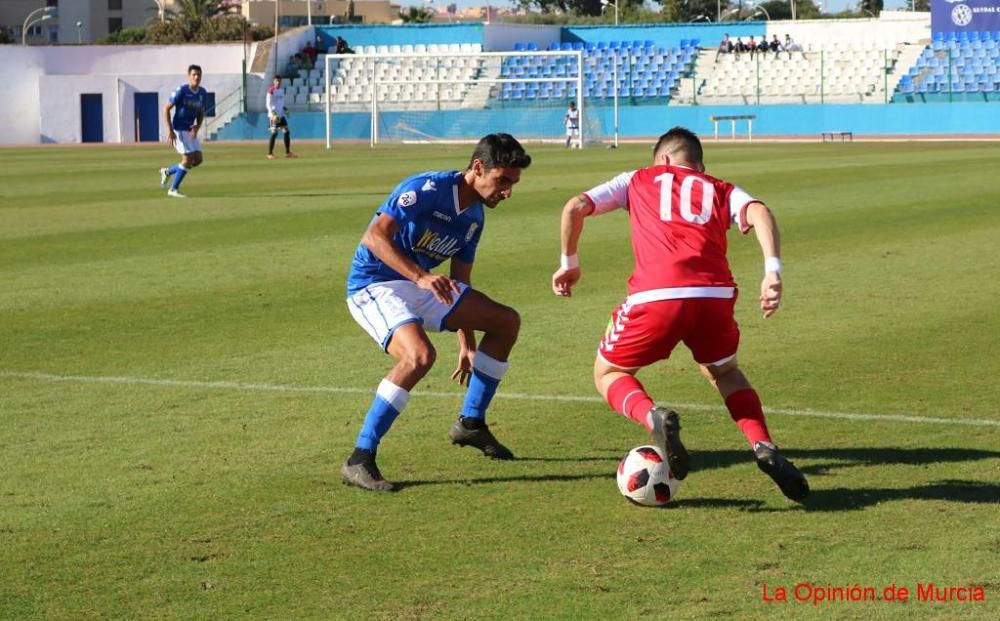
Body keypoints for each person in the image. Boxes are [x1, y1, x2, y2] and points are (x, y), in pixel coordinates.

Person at [550, 127, 809, 502]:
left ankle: (651, 417)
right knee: (725, 372)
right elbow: (760, 212)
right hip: (715, 295)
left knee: (608, 372)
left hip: (657, 294)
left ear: (664, 160)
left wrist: (569, 263)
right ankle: (764, 446)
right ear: (699, 165)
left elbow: (575, 206)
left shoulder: (637, 179)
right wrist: (773, 271)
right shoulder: (719, 188)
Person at [342, 133, 532, 492]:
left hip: (424, 286)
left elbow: (461, 282)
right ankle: (360, 457)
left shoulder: (474, 216)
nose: (507, 191)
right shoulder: (427, 188)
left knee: (506, 321)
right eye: (503, 180)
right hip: (375, 284)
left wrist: (468, 342)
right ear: (478, 168)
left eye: (513, 184)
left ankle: (471, 424)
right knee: (420, 356)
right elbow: (374, 237)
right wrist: (421, 276)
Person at [159, 65, 207, 199]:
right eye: (194, 75)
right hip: (179, 129)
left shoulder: (202, 92)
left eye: (198, 74)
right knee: (188, 159)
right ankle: (173, 189)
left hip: (190, 130)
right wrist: (170, 130)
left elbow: (201, 111)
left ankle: (167, 171)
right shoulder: (181, 91)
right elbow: (166, 108)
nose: (196, 77)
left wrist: (198, 126)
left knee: (197, 160)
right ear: (189, 76)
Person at [266, 75, 297, 160]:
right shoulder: (271, 91)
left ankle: (288, 152)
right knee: (274, 133)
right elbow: (268, 104)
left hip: (281, 115)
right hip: (274, 115)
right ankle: (269, 154)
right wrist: (272, 113)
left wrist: (285, 109)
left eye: (279, 81)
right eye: (277, 81)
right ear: (274, 82)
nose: (278, 82)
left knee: (286, 131)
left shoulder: (281, 91)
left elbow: (281, 103)